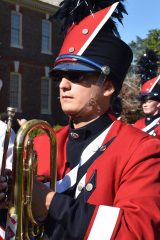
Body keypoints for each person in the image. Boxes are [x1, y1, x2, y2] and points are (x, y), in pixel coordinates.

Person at [1, 1, 160, 239]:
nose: (63, 84)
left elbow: (136, 232)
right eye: (60, 76)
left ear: (107, 86)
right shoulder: (44, 143)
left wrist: (49, 202)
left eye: (76, 75)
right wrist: (7, 200)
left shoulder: (141, 150)